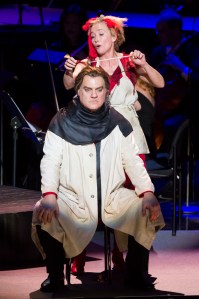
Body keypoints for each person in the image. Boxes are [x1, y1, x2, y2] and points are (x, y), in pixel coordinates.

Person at [31, 66, 165, 293]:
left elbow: (132, 160)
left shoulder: (118, 121)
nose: (94, 94)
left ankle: (135, 274)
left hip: (113, 196)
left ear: (106, 92)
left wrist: (147, 192)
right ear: (78, 92)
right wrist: (50, 195)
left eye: (99, 89)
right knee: (43, 212)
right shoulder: (61, 122)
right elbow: (51, 161)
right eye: (88, 89)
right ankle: (54, 276)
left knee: (146, 208)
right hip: (73, 199)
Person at [63, 14, 165, 273]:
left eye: (100, 34)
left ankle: (123, 256)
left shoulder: (128, 60)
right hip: (97, 133)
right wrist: (67, 70)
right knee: (89, 193)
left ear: (113, 36)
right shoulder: (87, 63)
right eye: (92, 35)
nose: (95, 39)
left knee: (130, 199)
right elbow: (68, 85)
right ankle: (79, 252)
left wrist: (144, 64)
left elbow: (159, 82)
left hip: (129, 136)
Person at [150, 8, 199, 156]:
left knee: (170, 125)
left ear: (176, 30)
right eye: (157, 31)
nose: (159, 35)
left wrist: (180, 66)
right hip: (160, 106)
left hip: (185, 108)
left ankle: (173, 166)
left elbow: (196, 79)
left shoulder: (191, 49)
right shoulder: (158, 52)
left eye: (162, 31)